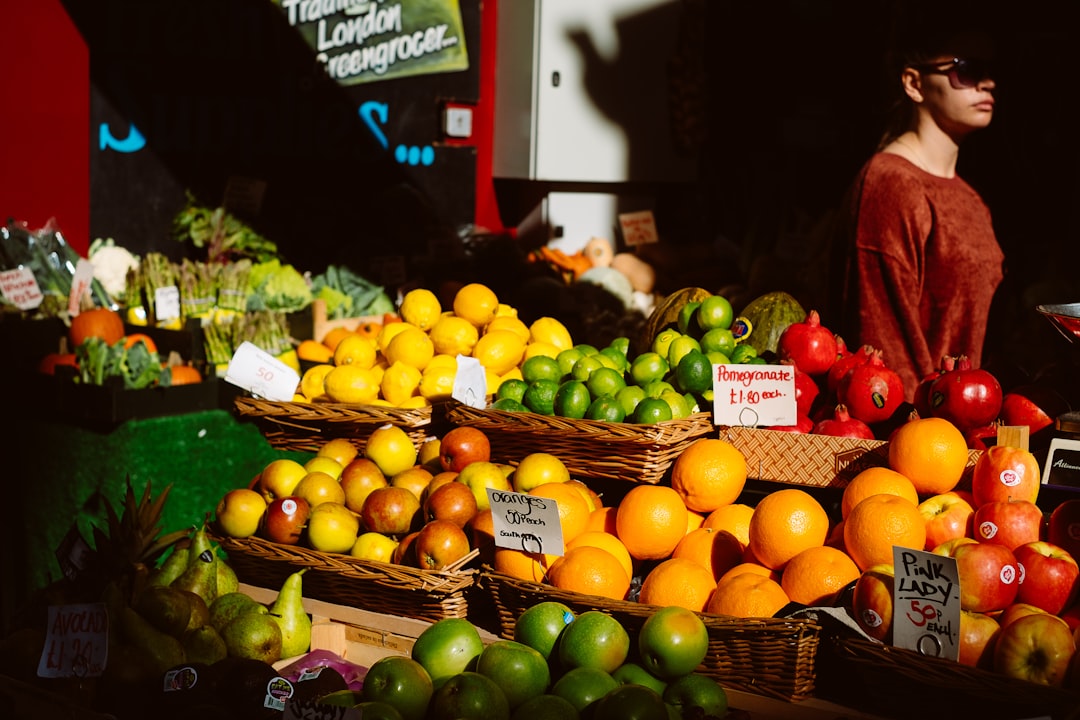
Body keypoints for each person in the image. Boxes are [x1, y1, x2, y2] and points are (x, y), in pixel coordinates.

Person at [833, 19, 1005, 403]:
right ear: (914, 82)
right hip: (915, 433)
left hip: (967, 425)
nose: (987, 83)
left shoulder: (972, 199)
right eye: (966, 69)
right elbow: (882, 337)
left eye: (991, 72)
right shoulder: (890, 182)